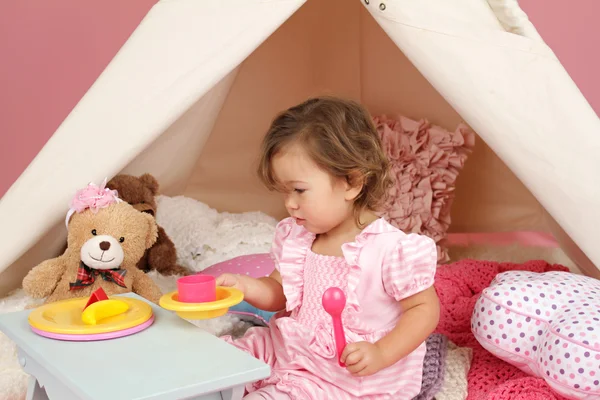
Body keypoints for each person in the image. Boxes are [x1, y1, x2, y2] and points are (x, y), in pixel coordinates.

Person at [217, 96, 440, 399]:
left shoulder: (390, 249)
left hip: (345, 375)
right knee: (225, 366)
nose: (289, 204)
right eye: (285, 191)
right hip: (295, 350)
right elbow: (279, 291)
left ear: (351, 183)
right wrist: (245, 286)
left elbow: (423, 310)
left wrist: (381, 353)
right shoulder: (298, 237)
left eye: (299, 190)